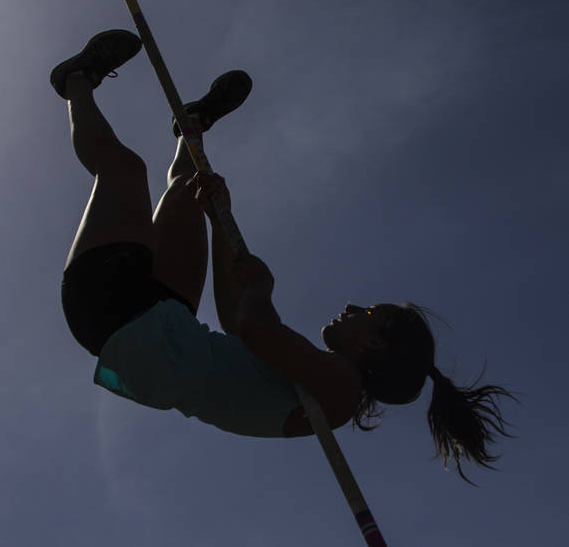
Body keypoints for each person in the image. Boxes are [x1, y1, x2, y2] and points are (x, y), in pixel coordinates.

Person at [52, 28, 515, 482]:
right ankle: (191, 126)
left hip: (114, 315)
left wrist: (262, 287)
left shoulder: (341, 390)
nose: (353, 308)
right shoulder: (324, 383)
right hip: (159, 321)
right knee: (187, 191)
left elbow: (254, 324)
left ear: (378, 343)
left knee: (123, 170)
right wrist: (219, 218)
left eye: (370, 313)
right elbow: (238, 322)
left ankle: (75, 80)